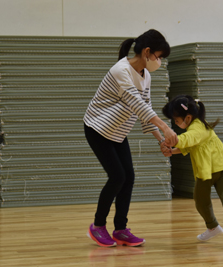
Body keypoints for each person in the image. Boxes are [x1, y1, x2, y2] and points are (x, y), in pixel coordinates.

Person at [83, 29, 178, 247]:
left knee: (129, 177)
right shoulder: (121, 70)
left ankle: (120, 229)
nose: (160, 61)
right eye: (159, 56)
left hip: (117, 132)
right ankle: (97, 226)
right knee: (117, 176)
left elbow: (146, 111)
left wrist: (160, 140)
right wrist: (165, 127)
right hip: (98, 128)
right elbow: (135, 102)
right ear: (147, 52)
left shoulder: (147, 75)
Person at [161, 95, 223, 249]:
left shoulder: (197, 127)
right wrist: (172, 151)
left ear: (188, 117)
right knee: (203, 200)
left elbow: (188, 139)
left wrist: (172, 140)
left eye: (177, 121)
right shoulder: (197, 127)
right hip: (214, 168)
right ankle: (216, 227)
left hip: (219, 169)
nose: (176, 124)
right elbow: (191, 145)